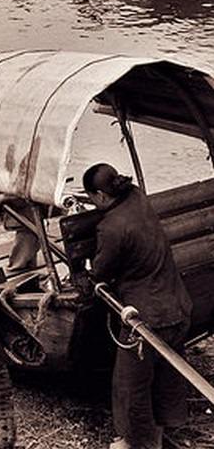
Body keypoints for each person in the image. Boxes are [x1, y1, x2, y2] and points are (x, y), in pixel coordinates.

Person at [83, 163, 192, 449]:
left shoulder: (112, 227)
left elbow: (101, 272)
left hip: (147, 320)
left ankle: (139, 442)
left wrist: (87, 271)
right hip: (178, 306)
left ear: (100, 196)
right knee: (167, 373)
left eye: (92, 198)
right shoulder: (137, 196)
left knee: (130, 386)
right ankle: (165, 427)